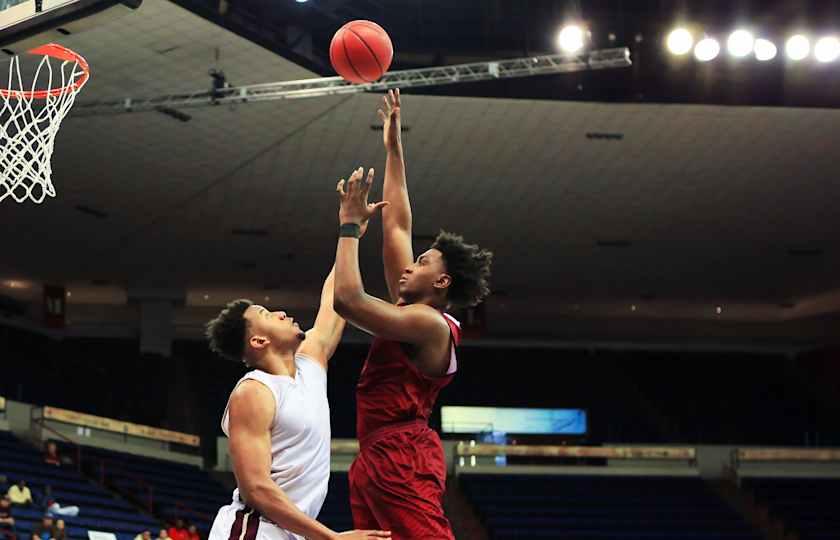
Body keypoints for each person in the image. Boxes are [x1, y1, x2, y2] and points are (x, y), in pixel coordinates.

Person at [333, 90, 493, 539]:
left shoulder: (428, 324)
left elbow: (348, 301)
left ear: (442, 283)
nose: (411, 264)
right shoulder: (412, 308)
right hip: (377, 452)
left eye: (423, 262)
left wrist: (348, 227)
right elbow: (397, 222)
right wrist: (393, 147)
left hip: (401, 451)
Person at [205, 233, 390, 540]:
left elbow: (336, 297)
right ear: (259, 341)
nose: (280, 312)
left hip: (289, 531)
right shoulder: (254, 391)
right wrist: (330, 537)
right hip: (254, 531)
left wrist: (350, 230)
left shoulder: (311, 363)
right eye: (267, 315)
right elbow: (256, 489)